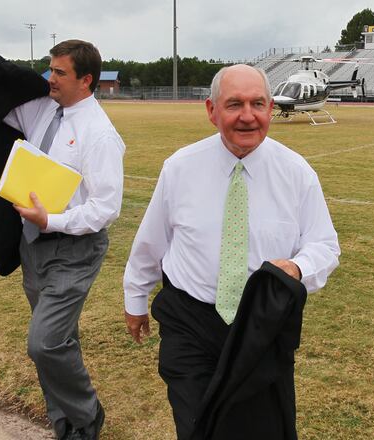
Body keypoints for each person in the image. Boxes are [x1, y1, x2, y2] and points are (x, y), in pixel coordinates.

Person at [122, 64, 340, 439]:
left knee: (263, 430)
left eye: (257, 103)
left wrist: (299, 267)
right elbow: (152, 240)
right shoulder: (180, 168)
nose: (247, 116)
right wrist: (135, 297)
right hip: (189, 319)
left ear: (270, 108)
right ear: (211, 110)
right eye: (234, 104)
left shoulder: (297, 173)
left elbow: (325, 245)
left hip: (260, 327)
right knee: (197, 427)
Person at [4, 40, 125, 440]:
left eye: (59, 72)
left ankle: (87, 419)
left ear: (86, 80)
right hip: (32, 245)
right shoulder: (42, 109)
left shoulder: (99, 134)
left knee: (45, 343)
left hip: (74, 250)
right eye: (49, 70)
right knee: (59, 341)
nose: (49, 78)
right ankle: (67, 429)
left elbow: (105, 209)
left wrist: (52, 220)